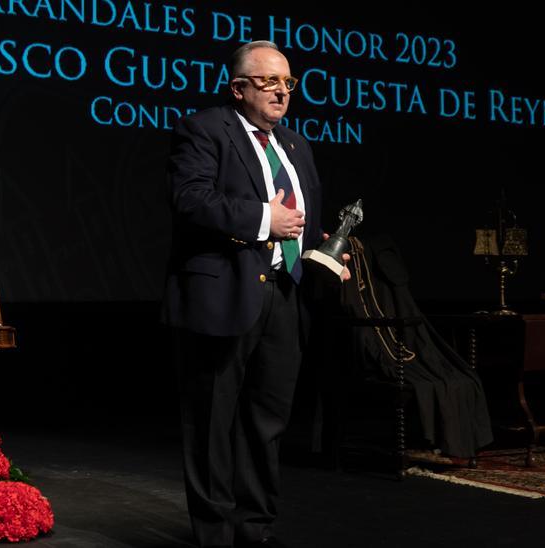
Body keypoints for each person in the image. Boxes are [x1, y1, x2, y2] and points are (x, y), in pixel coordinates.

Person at [163, 41, 347, 548]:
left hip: (285, 297)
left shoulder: (295, 145)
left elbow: (300, 223)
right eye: (268, 82)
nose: (281, 92)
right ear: (238, 87)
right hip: (222, 297)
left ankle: (255, 528)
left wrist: (323, 254)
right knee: (212, 423)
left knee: (267, 422)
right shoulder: (203, 130)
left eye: (287, 82)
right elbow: (191, 200)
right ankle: (216, 535)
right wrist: (266, 219)